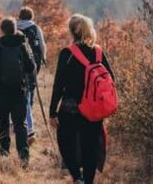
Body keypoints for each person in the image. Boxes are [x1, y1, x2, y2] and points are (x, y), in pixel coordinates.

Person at [49, 14, 114, 184]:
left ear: (71, 31)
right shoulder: (98, 53)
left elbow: (58, 84)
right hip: (94, 110)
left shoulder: (67, 54)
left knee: (66, 143)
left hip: (71, 108)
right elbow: (111, 79)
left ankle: (77, 178)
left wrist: (52, 112)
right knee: (89, 148)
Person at [0, 17, 36, 167]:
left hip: (1, 92)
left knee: (3, 121)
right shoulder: (22, 46)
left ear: (2, 30)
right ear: (15, 29)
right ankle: (23, 154)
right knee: (20, 123)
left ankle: (4, 150)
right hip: (19, 91)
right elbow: (31, 68)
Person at [16, 6, 47, 144]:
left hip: (18, 62)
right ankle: (29, 113)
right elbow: (42, 44)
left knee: (20, 88)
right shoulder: (35, 28)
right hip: (34, 62)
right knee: (30, 88)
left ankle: (22, 118)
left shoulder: (15, 27)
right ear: (31, 16)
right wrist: (43, 57)